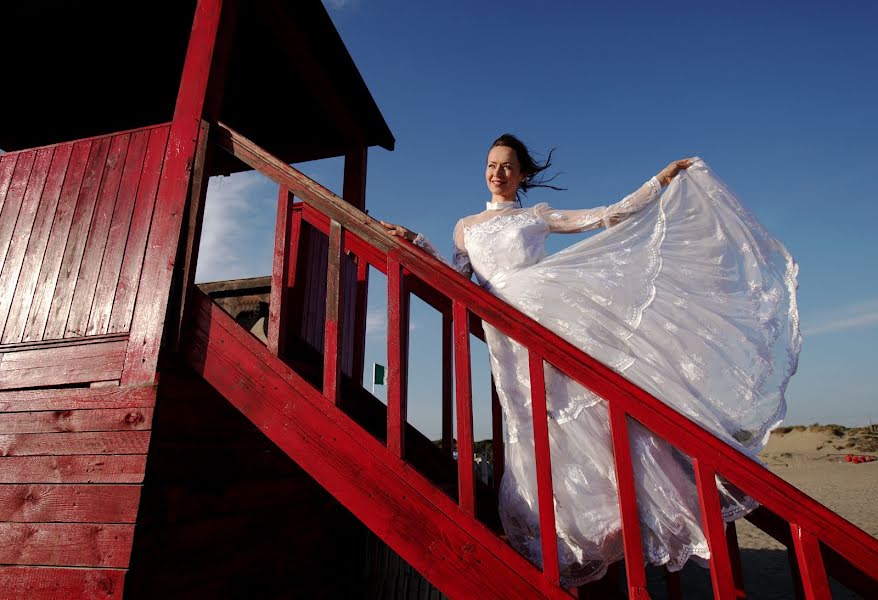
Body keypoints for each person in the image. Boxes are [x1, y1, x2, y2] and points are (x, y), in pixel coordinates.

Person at [379, 134, 801, 585]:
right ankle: (571, 529)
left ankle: (620, 511)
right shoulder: (465, 226)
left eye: (507, 166)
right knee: (536, 419)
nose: (497, 173)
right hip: (506, 331)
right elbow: (458, 279)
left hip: (554, 316)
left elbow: (607, 216)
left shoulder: (536, 217)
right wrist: (416, 241)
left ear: (522, 175)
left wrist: (660, 181)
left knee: (590, 405)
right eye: (491, 164)